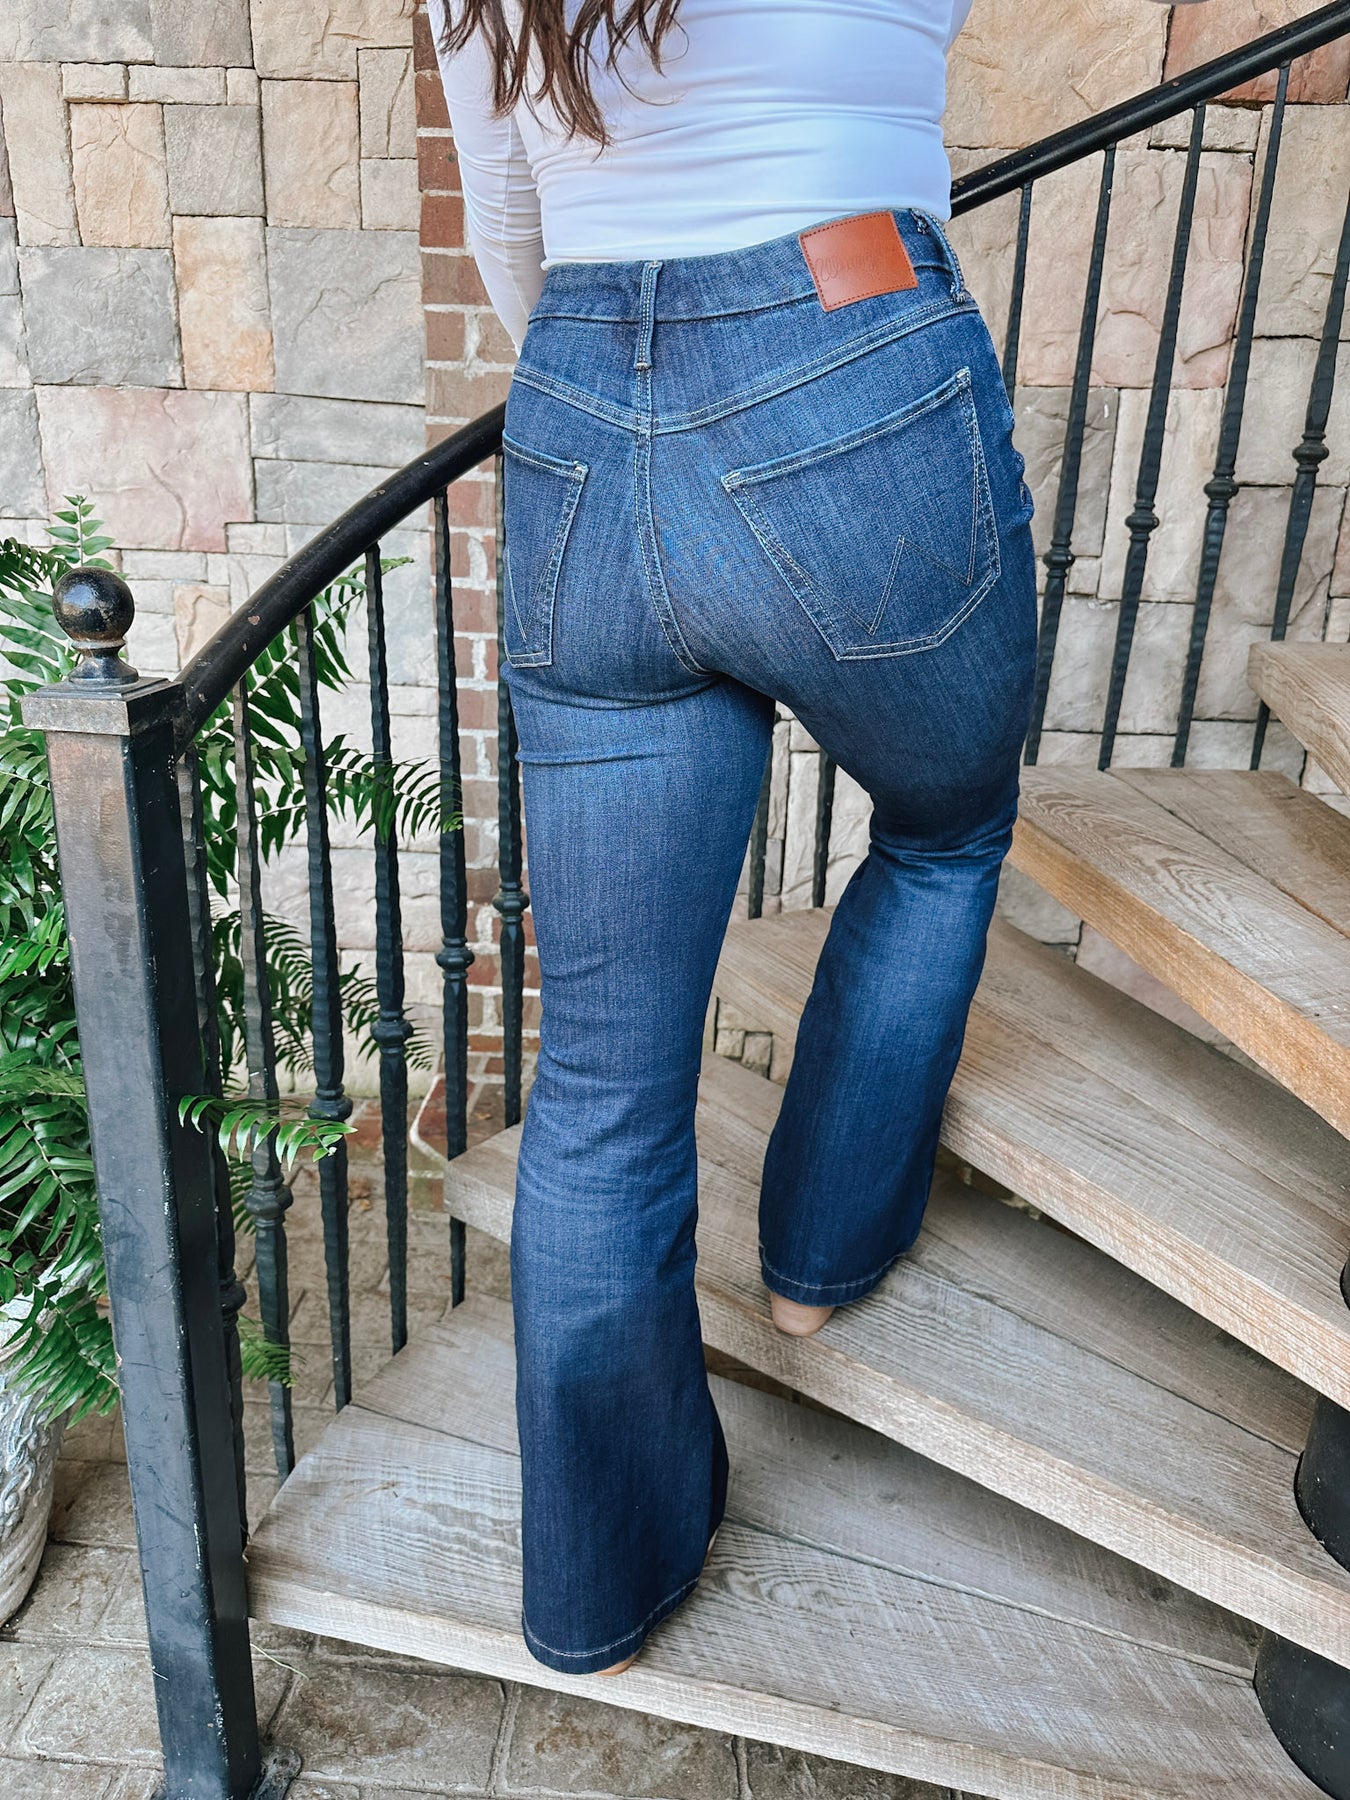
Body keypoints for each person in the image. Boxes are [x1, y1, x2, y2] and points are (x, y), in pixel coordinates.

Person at [430, 0, 1036, 1679]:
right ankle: (816, 1263)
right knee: (945, 832)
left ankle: (594, 1596)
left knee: (600, 1079)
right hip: (848, 341)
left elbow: (504, 216)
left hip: (576, 394)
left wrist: (629, 401)